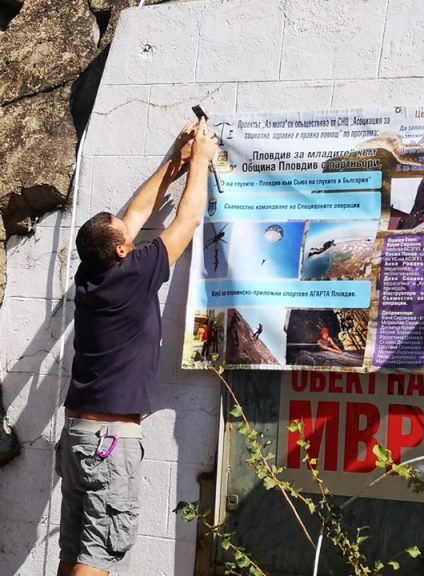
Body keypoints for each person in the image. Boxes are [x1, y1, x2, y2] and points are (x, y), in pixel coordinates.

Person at [55, 119, 218, 575]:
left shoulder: (90, 273)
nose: (130, 228)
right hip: (108, 442)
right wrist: (201, 160)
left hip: (79, 437)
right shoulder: (135, 274)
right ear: (123, 252)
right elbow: (187, 220)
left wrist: (173, 163)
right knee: (98, 554)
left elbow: (137, 214)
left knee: (76, 550)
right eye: (124, 234)